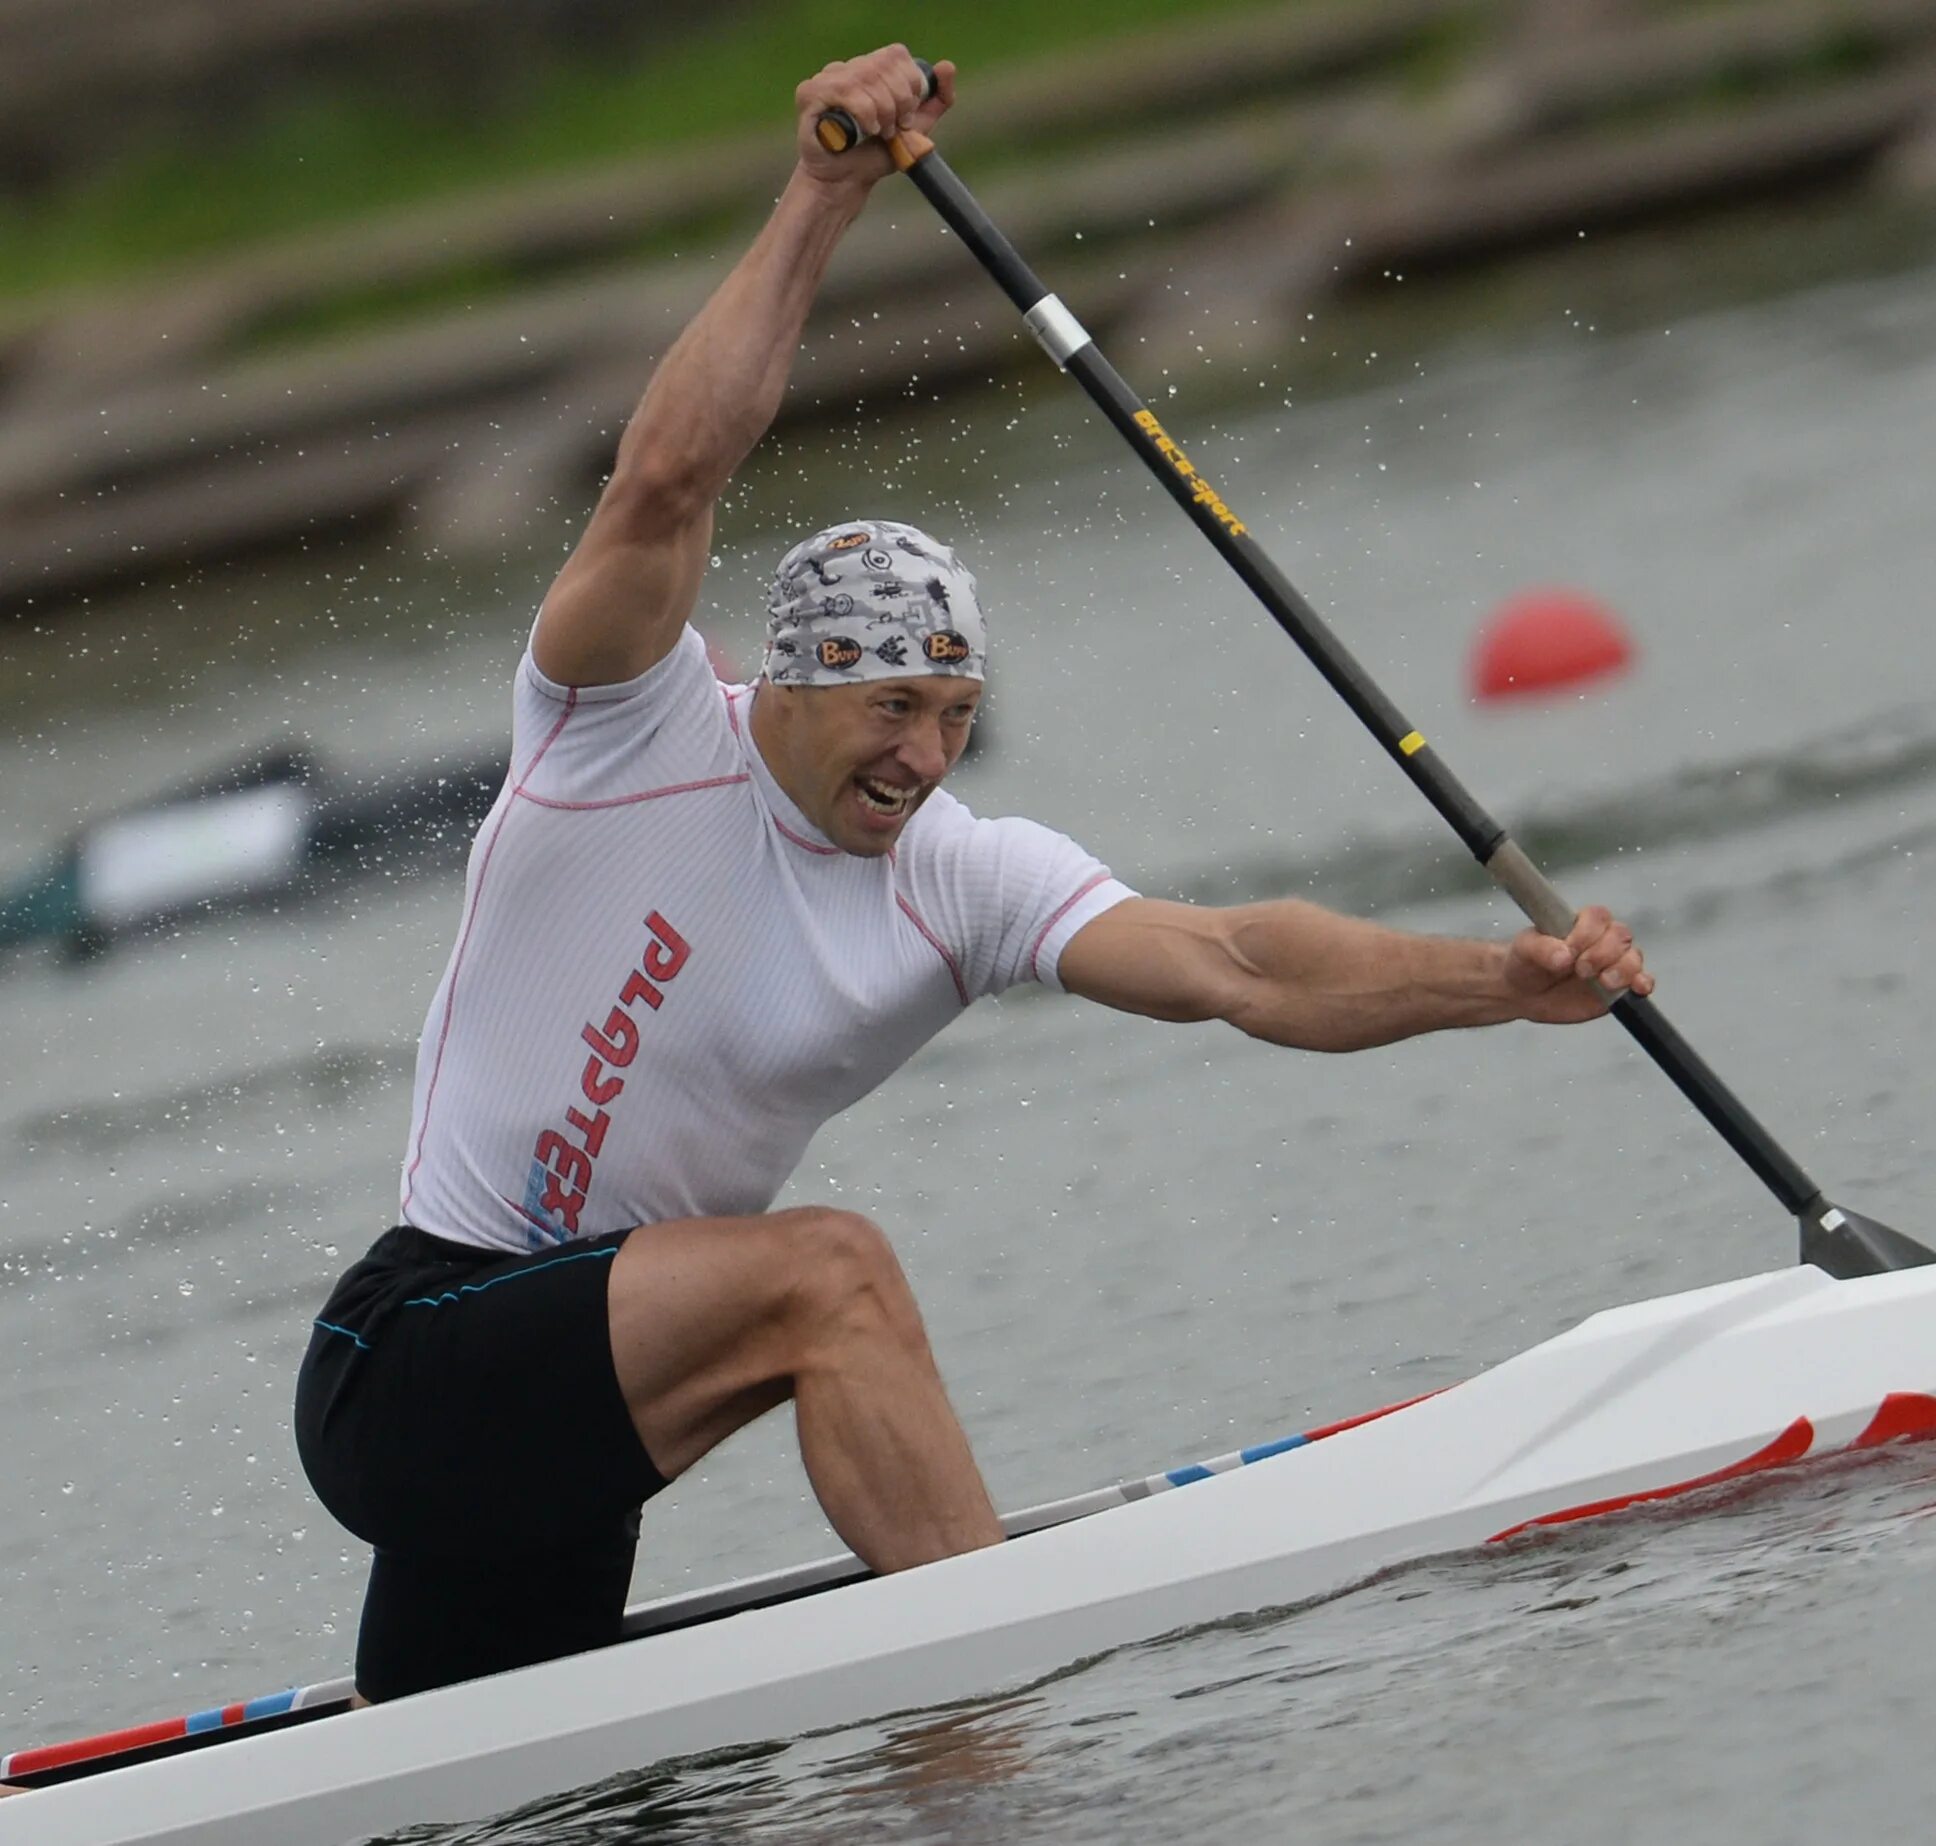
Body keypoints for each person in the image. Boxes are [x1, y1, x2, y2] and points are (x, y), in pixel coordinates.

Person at [291, 47, 1652, 1705]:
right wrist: (823, 193)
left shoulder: (957, 877)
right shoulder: (620, 725)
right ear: (782, 682)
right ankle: (1005, 1734)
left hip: (581, 1417)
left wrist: (1495, 983)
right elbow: (668, 479)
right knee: (831, 1274)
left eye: (954, 718)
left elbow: (1235, 959)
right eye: (891, 707)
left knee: (499, 1770)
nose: (925, 758)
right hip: (414, 1354)